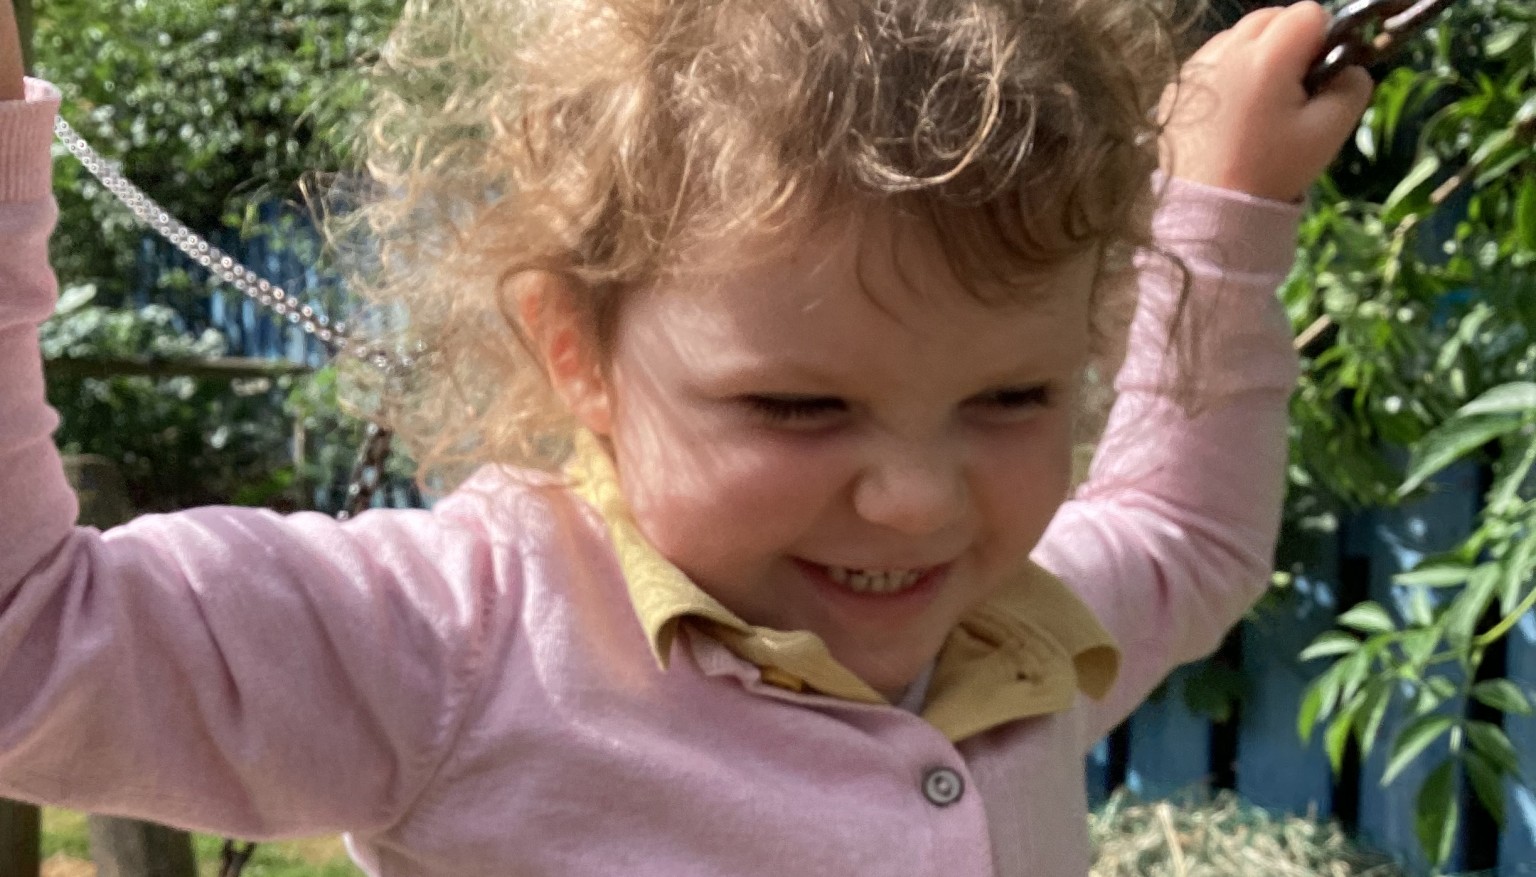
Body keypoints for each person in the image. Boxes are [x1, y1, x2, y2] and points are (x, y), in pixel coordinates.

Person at [0, 1, 1371, 874]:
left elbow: (1185, 537)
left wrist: (1223, 211)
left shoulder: (1010, 635)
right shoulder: (464, 640)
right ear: (575, 348)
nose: (913, 500)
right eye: (799, 406)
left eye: (1014, 398)